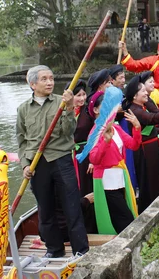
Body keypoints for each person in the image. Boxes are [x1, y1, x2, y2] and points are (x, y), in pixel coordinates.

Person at [16, 65, 89, 258]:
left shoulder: (61, 101)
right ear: (32, 84)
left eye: (51, 78)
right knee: (45, 211)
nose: (50, 82)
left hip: (61, 159)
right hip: (37, 164)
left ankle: (80, 251)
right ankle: (54, 250)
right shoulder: (23, 109)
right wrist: (25, 165)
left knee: (71, 207)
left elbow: (69, 131)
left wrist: (70, 107)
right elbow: (21, 140)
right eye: (44, 79)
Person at [123, 76, 159, 211]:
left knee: (155, 179)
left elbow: (150, 128)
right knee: (149, 183)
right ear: (134, 96)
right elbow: (153, 119)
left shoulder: (139, 107)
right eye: (142, 91)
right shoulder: (134, 110)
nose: (146, 93)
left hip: (152, 148)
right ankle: (150, 210)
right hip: (145, 151)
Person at [88, 89, 142, 234]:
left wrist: (137, 128)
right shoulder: (95, 132)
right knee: (124, 218)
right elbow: (94, 159)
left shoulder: (116, 128)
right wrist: (105, 141)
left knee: (121, 216)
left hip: (120, 178)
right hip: (106, 181)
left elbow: (133, 145)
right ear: (96, 110)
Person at [64, 79, 96, 234]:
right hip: (70, 155)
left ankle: (90, 226)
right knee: (72, 189)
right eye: (78, 95)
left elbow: (96, 134)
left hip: (85, 155)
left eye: (84, 94)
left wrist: (93, 160)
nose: (82, 98)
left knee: (86, 188)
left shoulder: (89, 112)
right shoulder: (64, 111)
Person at [118, 39, 159, 110]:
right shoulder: (152, 61)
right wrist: (124, 50)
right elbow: (135, 65)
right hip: (155, 94)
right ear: (158, 52)